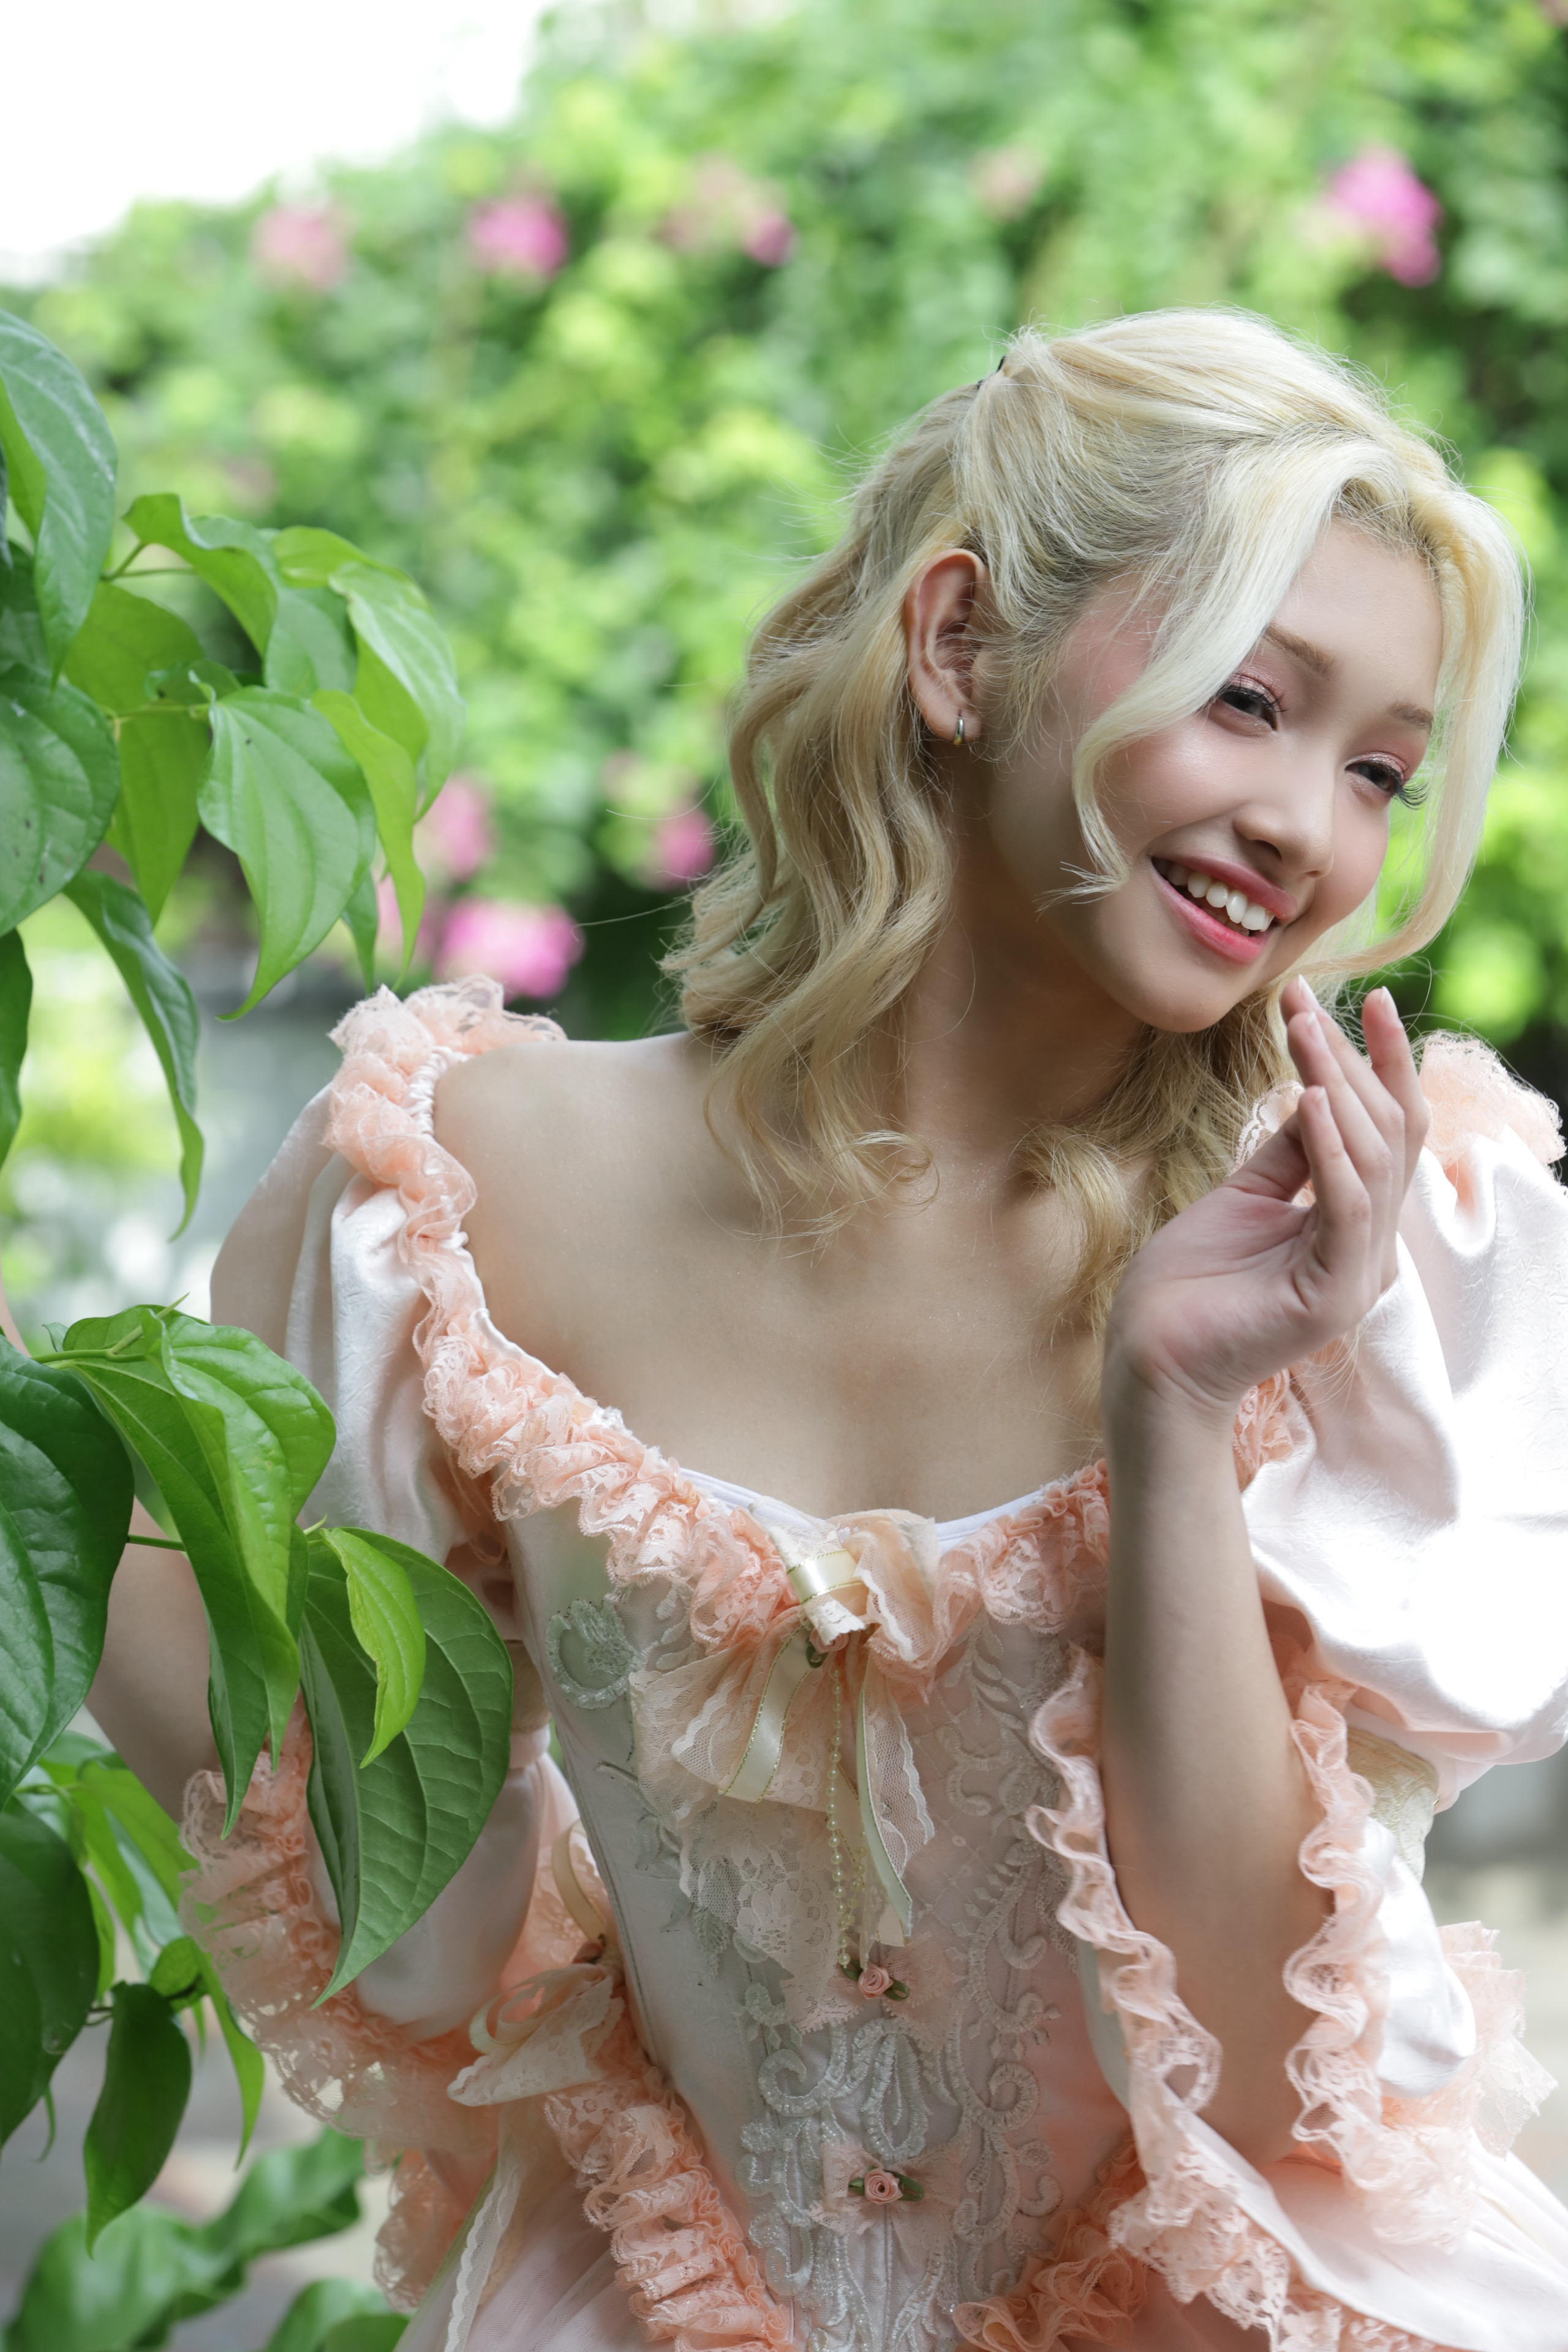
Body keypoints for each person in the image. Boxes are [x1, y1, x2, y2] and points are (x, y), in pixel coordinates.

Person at [88, 309, 1568, 2351]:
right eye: (1251, 699)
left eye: (1381, 770)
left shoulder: (1378, 1248)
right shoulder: (448, 1198)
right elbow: (412, 1943)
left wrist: (1173, 1405)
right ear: (958, 647)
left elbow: (1251, 2067)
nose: (1313, 831)